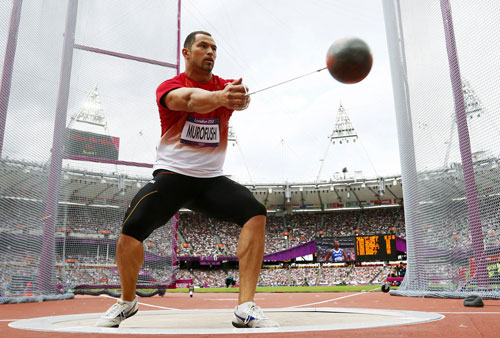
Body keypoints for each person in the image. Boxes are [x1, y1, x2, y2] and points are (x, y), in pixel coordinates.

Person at [96, 31, 279, 329]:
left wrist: (239, 99)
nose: (210, 52)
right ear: (185, 52)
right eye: (203, 46)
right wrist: (221, 98)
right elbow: (189, 100)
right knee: (130, 232)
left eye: (214, 48)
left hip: (211, 181)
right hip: (172, 177)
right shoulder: (170, 87)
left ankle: (245, 306)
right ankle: (127, 302)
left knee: (255, 213)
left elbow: (238, 94)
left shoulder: (224, 85)